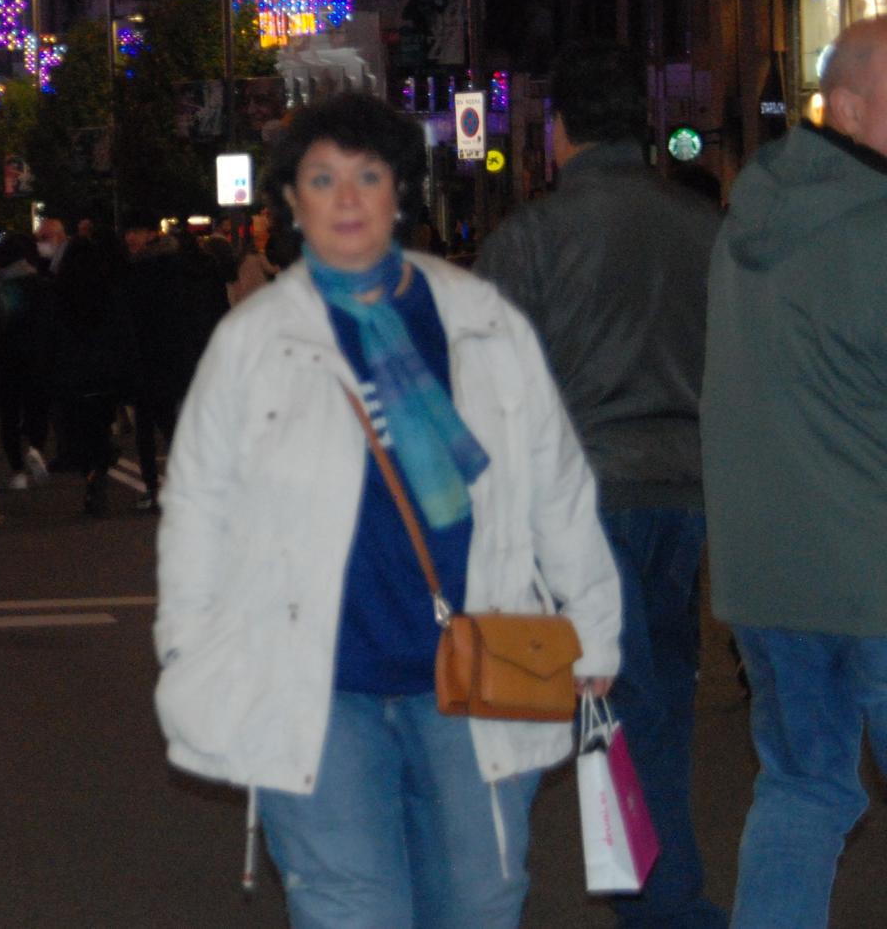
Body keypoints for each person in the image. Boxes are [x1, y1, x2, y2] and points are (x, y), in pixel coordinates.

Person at [154, 92, 621, 928]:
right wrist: (189, 647)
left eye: (367, 175)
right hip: (318, 685)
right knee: (349, 909)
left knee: (480, 901)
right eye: (321, 177)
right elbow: (197, 504)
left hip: (478, 670)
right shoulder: (255, 341)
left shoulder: (480, 322)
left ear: (399, 192)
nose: (345, 197)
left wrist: (594, 621)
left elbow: (555, 480)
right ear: (290, 200)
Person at [476, 42, 725, 929]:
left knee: (591, 708)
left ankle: (668, 905)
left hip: (579, 504)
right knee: (652, 702)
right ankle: (654, 893)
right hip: (684, 495)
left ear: (559, 132)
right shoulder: (703, 229)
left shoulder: (530, 239)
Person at [702, 17, 887, 927]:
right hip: (873, 570)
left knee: (803, 790)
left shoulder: (749, 222)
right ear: (849, 108)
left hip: (768, 573)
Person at [43, 237, 135, 517]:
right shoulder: (108, 290)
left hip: (70, 374)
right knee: (100, 426)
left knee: (77, 430)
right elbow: (122, 331)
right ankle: (99, 470)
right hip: (103, 373)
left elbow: (50, 336)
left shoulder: (58, 292)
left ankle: (91, 473)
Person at [121, 225, 199, 512]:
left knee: (148, 427)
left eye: (136, 232)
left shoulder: (141, 272)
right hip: (173, 358)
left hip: (149, 357)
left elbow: (135, 320)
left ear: (151, 235)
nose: (130, 237)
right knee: (169, 424)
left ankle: (153, 489)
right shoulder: (177, 269)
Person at [0, 233, 51, 491]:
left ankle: (17, 471)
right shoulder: (39, 283)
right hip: (36, 355)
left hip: (6, 358)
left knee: (9, 415)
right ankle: (36, 447)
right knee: (36, 408)